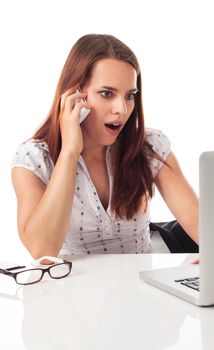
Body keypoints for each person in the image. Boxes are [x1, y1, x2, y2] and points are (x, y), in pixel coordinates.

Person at [11, 34, 199, 259]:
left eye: (129, 96)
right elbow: (42, 250)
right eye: (107, 94)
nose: (122, 109)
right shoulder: (33, 158)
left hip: (140, 285)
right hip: (73, 290)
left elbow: (201, 225)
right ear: (74, 95)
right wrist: (70, 151)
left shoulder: (149, 146)